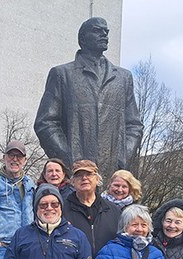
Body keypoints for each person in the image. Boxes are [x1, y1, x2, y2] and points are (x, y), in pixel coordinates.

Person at [34, 17, 143, 179]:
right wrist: (68, 160)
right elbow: (46, 123)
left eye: (106, 31)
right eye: (97, 31)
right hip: (76, 175)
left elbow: (134, 124)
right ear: (82, 38)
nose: (104, 34)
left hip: (112, 174)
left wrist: (123, 157)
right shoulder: (62, 74)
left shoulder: (123, 78)